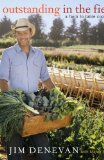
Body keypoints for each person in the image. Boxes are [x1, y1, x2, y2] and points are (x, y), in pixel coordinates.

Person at [0, 18, 55, 160]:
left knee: (43, 147)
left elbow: (46, 79)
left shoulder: (39, 54)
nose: (22, 36)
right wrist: (12, 103)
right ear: (15, 34)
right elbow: (3, 80)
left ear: (31, 33)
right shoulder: (8, 54)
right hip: (14, 105)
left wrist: (59, 96)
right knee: (14, 149)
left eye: (25, 32)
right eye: (19, 33)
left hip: (35, 104)